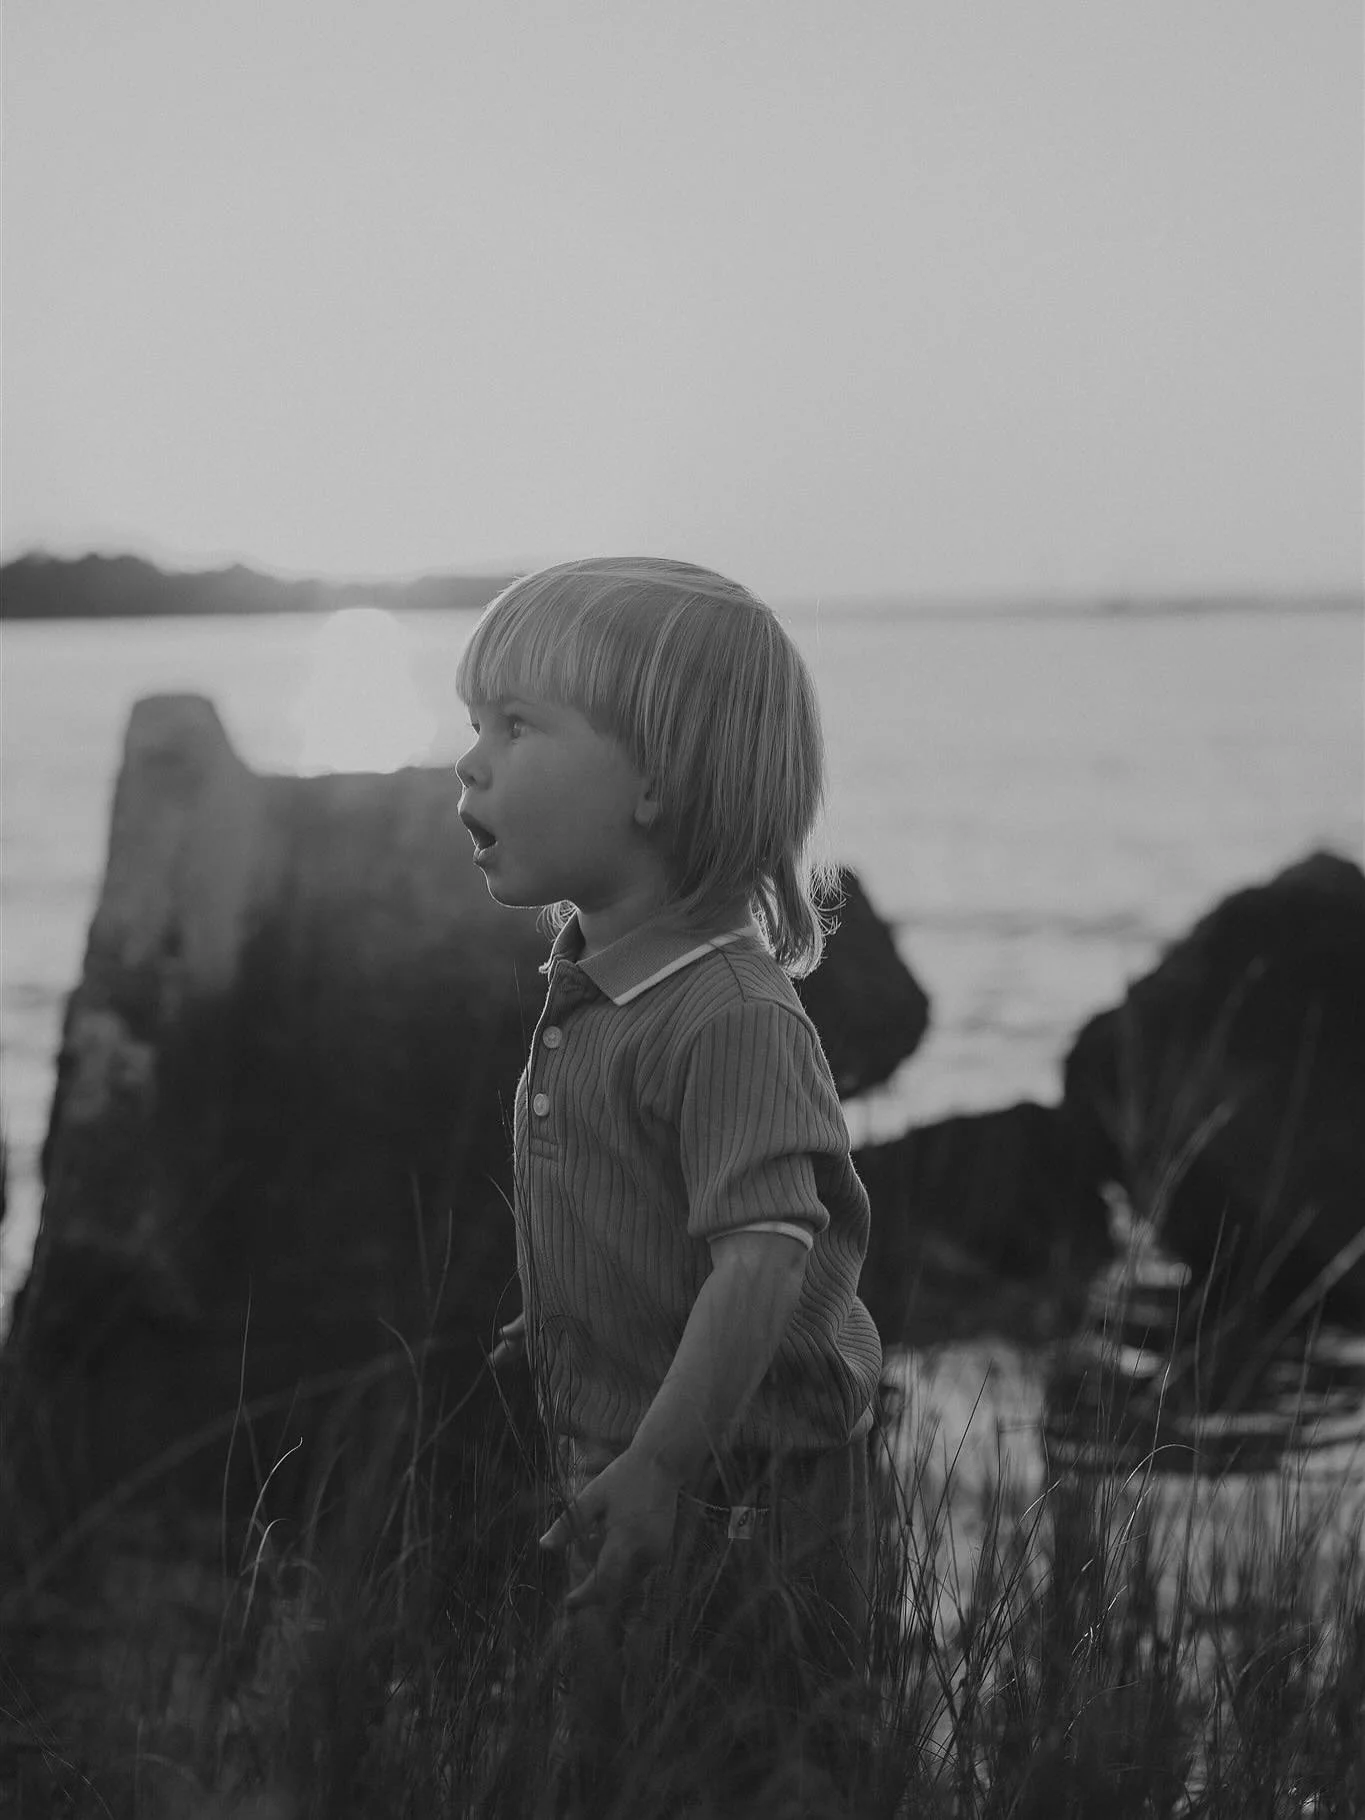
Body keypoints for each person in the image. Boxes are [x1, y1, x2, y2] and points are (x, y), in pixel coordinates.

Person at [456, 556, 883, 1805]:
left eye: (516, 725)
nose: (470, 763)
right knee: (622, 1753)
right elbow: (631, 1204)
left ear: (656, 776)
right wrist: (560, 1323)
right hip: (628, 1452)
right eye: (473, 725)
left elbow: (763, 1252)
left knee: (758, 1760)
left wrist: (659, 1465)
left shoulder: (727, 1016)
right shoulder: (593, 987)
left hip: (752, 1484)